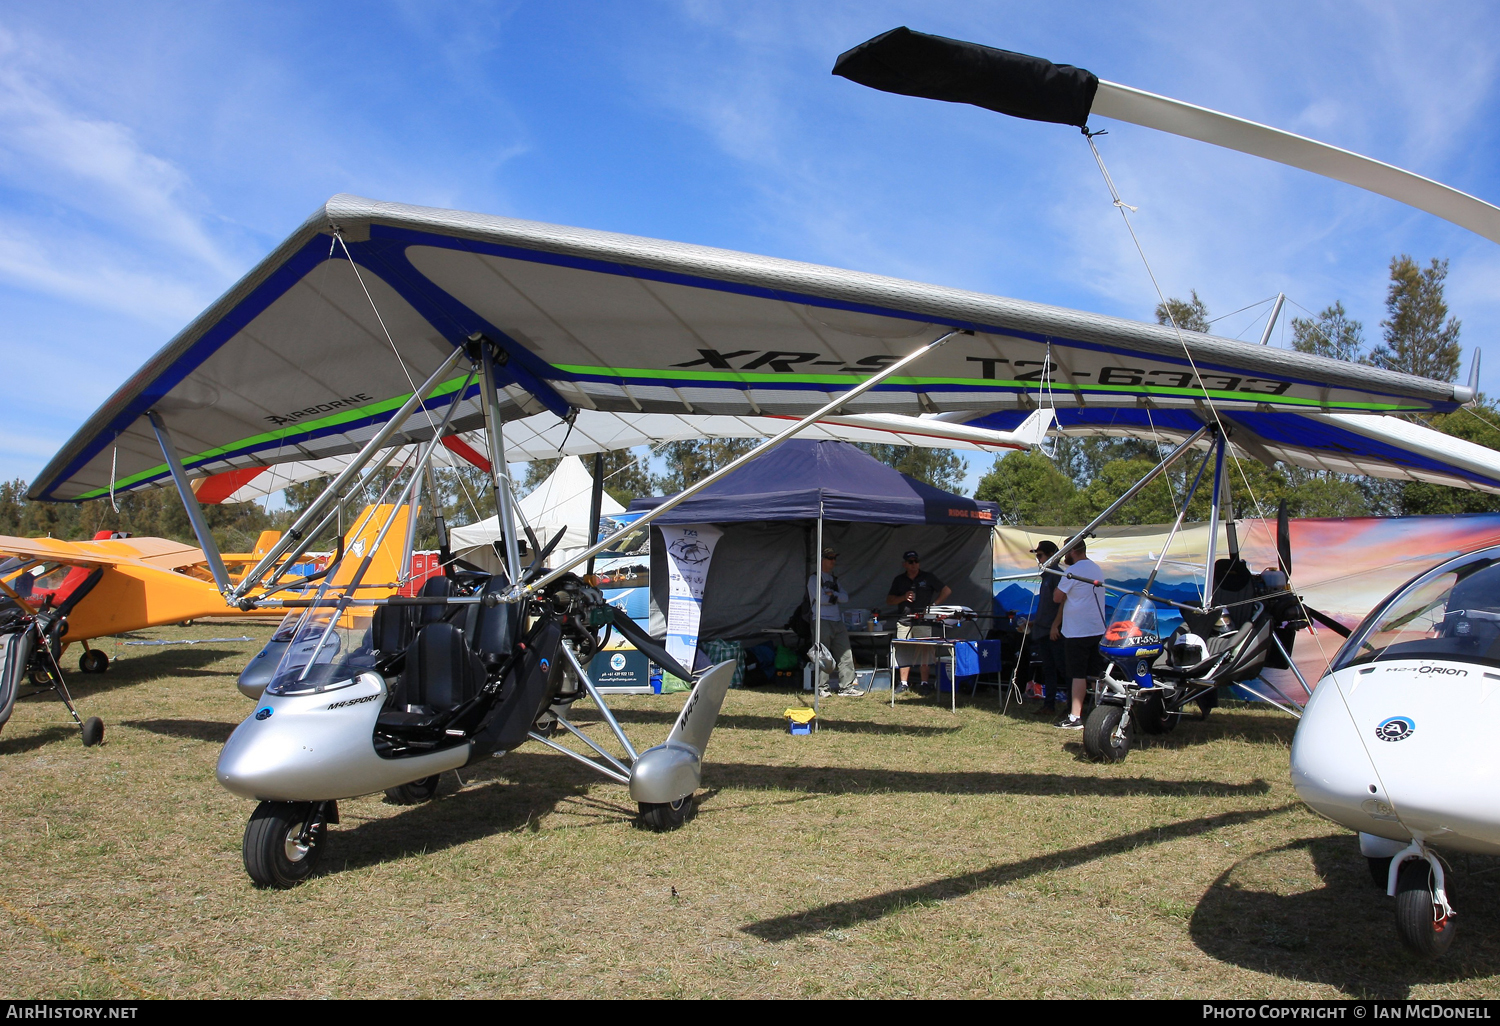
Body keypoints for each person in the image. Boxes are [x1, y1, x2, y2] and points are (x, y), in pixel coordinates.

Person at [1050, 539, 1108, 730]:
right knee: (1095, 674)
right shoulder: (1095, 568)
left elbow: (1057, 597)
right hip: (1096, 628)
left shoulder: (1072, 571)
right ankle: (1104, 711)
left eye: (1066, 550)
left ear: (1073, 550)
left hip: (1078, 631)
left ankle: (1075, 716)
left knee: (1077, 674)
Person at [886, 550, 951, 692]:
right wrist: (903, 597)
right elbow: (889, 600)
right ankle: (903, 683)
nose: (914, 564)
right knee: (903, 651)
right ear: (904, 564)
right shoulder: (899, 580)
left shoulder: (928, 577)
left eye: (916, 561)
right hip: (905, 620)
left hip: (923, 621)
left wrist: (933, 606)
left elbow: (946, 590)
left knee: (925, 652)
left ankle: (924, 683)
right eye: (910, 562)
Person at [808, 547, 858, 697]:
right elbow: (820, 599)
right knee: (823, 655)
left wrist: (833, 594)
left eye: (834, 558)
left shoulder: (834, 579)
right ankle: (822, 688)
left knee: (845, 654)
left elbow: (845, 598)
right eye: (830, 558)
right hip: (821, 619)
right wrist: (832, 598)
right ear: (822, 560)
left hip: (837, 620)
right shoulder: (814, 579)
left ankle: (846, 687)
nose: (833, 561)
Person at [1030, 540, 1067, 716]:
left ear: (1052, 555)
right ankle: (1049, 704)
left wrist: (1055, 626)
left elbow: (1062, 603)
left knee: (1062, 668)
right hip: (1043, 629)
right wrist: (1034, 622)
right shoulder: (1047, 576)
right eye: (1037, 556)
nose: (1038, 559)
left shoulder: (1057, 575)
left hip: (1053, 631)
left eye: (1041, 555)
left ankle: (1070, 707)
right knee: (1049, 669)